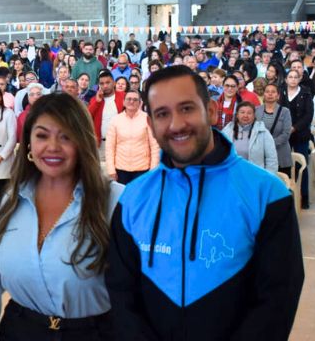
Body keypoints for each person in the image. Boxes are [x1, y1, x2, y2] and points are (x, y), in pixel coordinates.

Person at [106, 65, 304, 340]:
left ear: (211, 111)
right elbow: (119, 292)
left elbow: (278, 298)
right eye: (162, 114)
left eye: (187, 108)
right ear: (150, 125)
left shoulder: (267, 194)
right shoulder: (133, 198)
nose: (176, 124)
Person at [0, 93, 123, 340]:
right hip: (19, 330)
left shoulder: (116, 201)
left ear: (82, 142)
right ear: (28, 143)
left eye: (66, 136)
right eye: (42, 136)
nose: (52, 146)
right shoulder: (11, 201)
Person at [105, 89, 160, 185]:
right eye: (129, 99)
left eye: (135, 100)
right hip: (120, 169)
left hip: (142, 169)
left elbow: (155, 146)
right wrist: (111, 170)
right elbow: (110, 147)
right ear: (123, 102)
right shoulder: (116, 120)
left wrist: (153, 170)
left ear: (140, 103)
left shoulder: (147, 119)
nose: (131, 102)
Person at [280, 67, 313, 209]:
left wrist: (294, 128)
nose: (293, 79)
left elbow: (308, 115)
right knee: (284, 165)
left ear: (299, 79)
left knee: (301, 166)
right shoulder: (280, 93)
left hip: (301, 134)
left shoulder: (306, 94)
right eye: (290, 77)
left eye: (295, 77)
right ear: (286, 79)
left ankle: (304, 197)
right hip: (284, 135)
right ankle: (285, 195)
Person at [221, 101, 278, 173]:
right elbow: (219, 155)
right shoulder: (227, 130)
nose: (245, 115)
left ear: (254, 116)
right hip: (231, 174)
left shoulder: (263, 132)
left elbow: (272, 159)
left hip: (255, 175)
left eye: (249, 113)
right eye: (242, 112)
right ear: (237, 115)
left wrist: (267, 178)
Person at [256, 83, 293, 174]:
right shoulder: (256, 110)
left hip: (280, 154)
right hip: (260, 155)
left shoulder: (285, 112)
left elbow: (286, 134)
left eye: (273, 92)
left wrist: (269, 144)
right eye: (267, 91)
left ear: (278, 96)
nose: (270, 94)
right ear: (264, 94)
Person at [88, 72, 125, 147]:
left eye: (108, 82)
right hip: (101, 144)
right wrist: (97, 102)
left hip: (120, 143)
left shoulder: (123, 96)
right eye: (102, 83)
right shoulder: (94, 100)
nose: (105, 86)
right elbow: (87, 117)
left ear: (114, 83)